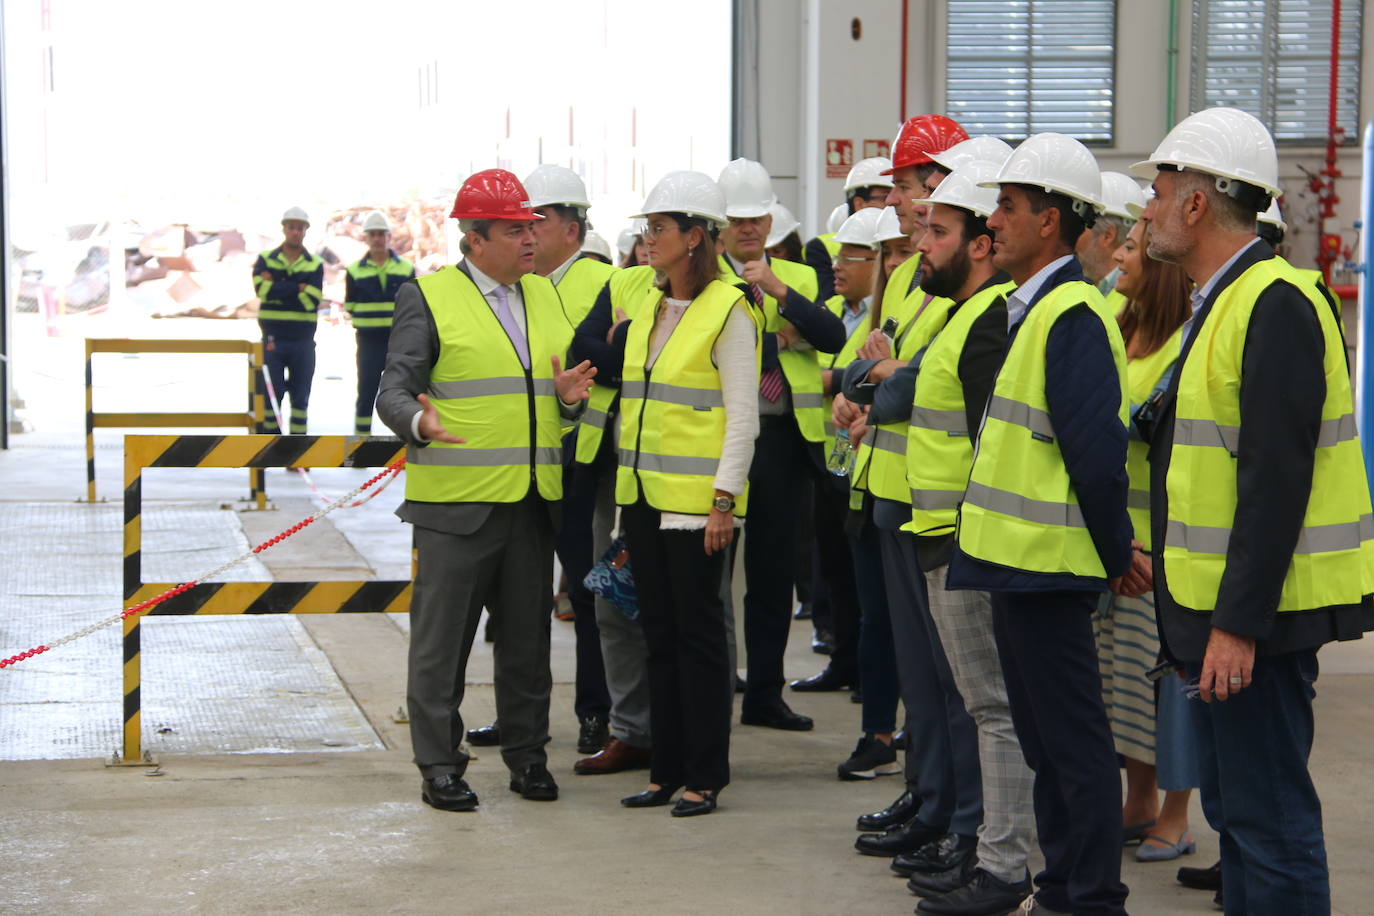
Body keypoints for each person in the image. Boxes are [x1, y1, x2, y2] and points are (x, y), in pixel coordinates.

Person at [1133, 106, 1374, 915]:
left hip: (1254, 626)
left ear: (1198, 204)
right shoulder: (1223, 300)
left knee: (1270, 822)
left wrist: (1236, 624)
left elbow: (1277, 481)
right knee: (1242, 816)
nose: (1148, 211)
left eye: (1160, 193)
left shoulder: (1273, 303)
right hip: (1214, 616)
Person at [947, 132, 1131, 915]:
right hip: (1016, 564)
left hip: (1050, 568)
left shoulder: (1072, 315)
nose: (994, 221)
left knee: (1075, 745)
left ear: (1050, 221)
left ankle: (1092, 896)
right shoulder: (1038, 310)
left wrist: (1116, 553)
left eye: (1009, 207)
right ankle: (1061, 884)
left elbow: (1096, 457)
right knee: (1048, 743)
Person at [375, 168, 596, 812]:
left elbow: (543, 399)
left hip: (531, 502)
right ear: (474, 239)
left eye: (532, 228)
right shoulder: (431, 297)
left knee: (528, 645)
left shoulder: (544, 298)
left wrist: (568, 404)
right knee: (442, 646)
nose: (530, 240)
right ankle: (440, 764)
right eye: (514, 230)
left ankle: (528, 757)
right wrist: (418, 421)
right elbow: (392, 388)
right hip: (457, 507)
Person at [890, 159, 1036, 916]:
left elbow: (990, 444)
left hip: (965, 542)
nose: (923, 245)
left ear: (980, 244)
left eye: (938, 232)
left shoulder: (988, 322)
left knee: (995, 710)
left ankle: (1005, 866)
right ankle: (995, 855)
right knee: (987, 708)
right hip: (943, 534)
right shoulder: (964, 315)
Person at [840, 114, 983, 864]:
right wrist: (866, 385)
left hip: (937, 494)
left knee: (953, 678)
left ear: (938, 184)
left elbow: (913, 381)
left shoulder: (958, 282)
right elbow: (865, 369)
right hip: (895, 483)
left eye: (901, 184)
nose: (893, 200)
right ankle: (931, 798)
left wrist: (879, 383)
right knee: (920, 670)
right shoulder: (911, 274)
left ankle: (959, 813)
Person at [615, 171, 760, 817]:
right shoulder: (648, 306)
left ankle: (704, 775)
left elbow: (743, 416)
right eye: (647, 228)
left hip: (698, 509)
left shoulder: (729, 309)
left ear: (694, 236)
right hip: (644, 499)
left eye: (659, 228)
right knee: (660, 639)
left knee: (700, 646)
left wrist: (723, 501)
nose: (647, 239)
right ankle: (663, 771)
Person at [715, 157, 846, 733]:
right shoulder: (704, 280)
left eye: (757, 219)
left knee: (770, 573)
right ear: (718, 223)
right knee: (710, 573)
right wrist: (777, 338)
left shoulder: (801, 277)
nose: (748, 229)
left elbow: (830, 335)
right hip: (719, 437)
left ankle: (764, 692)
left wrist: (777, 291)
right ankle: (713, 684)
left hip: (785, 438)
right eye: (737, 219)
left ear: (770, 220)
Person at [1092, 216, 1199, 866]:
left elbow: (1145, 423)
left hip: (1159, 542)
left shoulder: (1181, 340)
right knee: (1122, 681)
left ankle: (1177, 815)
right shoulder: (1118, 322)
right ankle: (1137, 801)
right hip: (1118, 536)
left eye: (1130, 248)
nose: (1120, 258)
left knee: (1166, 684)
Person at [526, 163, 617, 756]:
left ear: (571, 226)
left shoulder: (603, 281)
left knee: (586, 591)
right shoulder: (519, 286)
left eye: (537, 222)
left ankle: (596, 714)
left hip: (584, 460)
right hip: (527, 459)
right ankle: (524, 717)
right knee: (521, 594)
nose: (527, 235)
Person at [789, 208, 884, 740]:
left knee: (866, 583)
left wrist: (831, 376)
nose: (839, 266)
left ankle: (869, 678)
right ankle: (843, 660)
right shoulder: (832, 311)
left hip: (867, 464)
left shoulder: (881, 318)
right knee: (836, 571)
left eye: (853, 256)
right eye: (839, 256)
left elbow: (852, 374)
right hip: (833, 462)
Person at [344, 210, 416, 435]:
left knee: (403, 391)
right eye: (372, 234)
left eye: (381, 234)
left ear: (388, 236)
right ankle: (361, 442)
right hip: (368, 340)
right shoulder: (354, 270)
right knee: (366, 390)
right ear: (365, 237)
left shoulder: (405, 268)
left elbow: (412, 305)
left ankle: (406, 443)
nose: (377, 238)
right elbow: (350, 304)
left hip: (398, 342)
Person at [253, 207, 324, 434]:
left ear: (305, 231)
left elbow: (312, 299)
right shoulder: (265, 259)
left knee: (300, 398)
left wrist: (277, 286)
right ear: (284, 229)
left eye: (299, 228)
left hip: (303, 341)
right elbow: (262, 291)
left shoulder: (315, 264)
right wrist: (298, 286)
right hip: (273, 339)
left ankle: (296, 451)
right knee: (271, 396)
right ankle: (270, 446)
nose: (295, 232)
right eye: (291, 227)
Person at [803, 157, 893, 302]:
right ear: (859, 204)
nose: (893, 202)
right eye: (885, 197)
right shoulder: (821, 248)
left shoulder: (904, 240)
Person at [1075, 172, 1145, 300]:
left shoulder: (1132, 299)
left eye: (1081, 227)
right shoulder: (1102, 290)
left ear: (1108, 235)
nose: (1073, 237)